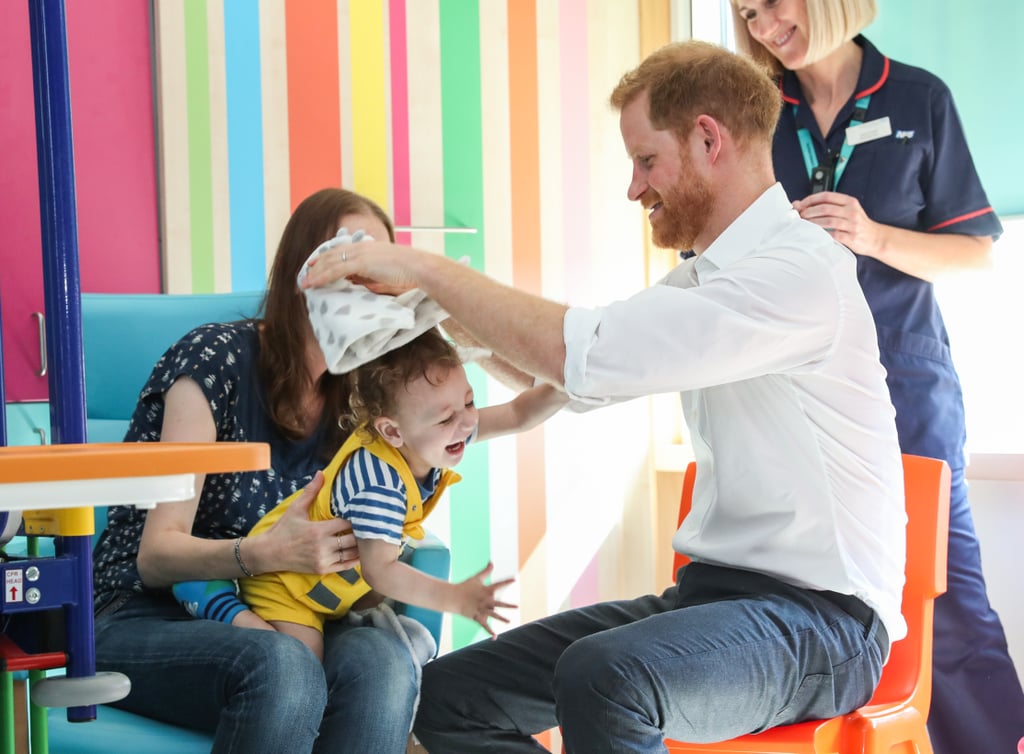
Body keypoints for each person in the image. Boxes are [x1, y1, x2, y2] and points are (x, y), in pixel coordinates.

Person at [302, 41, 906, 752]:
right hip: (713, 601)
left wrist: (425, 269)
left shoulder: (795, 275)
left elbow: (581, 353)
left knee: (607, 676)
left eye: (646, 160)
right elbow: (557, 378)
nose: (633, 188)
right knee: (445, 700)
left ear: (708, 138)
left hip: (823, 623)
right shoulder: (705, 283)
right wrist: (432, 319)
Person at [730, 2, 1024, 751]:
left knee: (943, 594)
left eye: (772, 3)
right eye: (745, 12)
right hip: (791, 399)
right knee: (802, 594)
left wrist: (873, 236)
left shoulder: (918, 99)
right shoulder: (752, 109)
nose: (763, 25)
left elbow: (977, 254)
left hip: (907, 390)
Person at [91, 188, 432, 754]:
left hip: (282, 609)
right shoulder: (212, 360)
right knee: (285, 670)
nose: (363, 286)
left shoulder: (364, 399)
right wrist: (267, 552)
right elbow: (156, 557)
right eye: (347, 261)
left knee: (385, 665)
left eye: (378, 271)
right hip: (143, 610)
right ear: (304, 271)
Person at [173, 326, 566, 661]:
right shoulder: (379, 481)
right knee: (300, 664)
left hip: (337, 584)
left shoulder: (432, 430)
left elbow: (517, 413)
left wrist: (573, 384)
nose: (466, 422)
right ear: (391, 431)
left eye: (469, 401)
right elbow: (382, 569)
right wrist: (455, 599)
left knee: (372, 610)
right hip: (287, 585)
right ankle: (216, 599)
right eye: (448, 417)